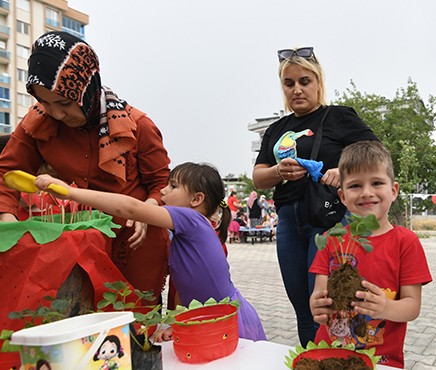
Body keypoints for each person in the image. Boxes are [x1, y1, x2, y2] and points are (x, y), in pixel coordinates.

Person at [0, 31, 170, 300]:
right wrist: (8, 221)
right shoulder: (37, 123)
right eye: (44, 101)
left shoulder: (138, 125)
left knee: (136, 324)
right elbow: (6, 172)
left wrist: (148, 209)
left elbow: (161, 183)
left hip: (134, 240)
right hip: (77, 246)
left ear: (86, 90)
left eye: (65, 103)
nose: (56, 113)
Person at [35, 162, 267, 341]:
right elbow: (183, 288)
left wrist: (70, 193)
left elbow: (131, 208)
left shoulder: (192, 219)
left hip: (226, 321)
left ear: (196, 199)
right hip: (209, 319)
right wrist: (175, 322)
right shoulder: (183, 232)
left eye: (173, 186)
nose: (163, 191)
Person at [252, 46, 379, 345]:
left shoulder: (338, 117)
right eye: (289, 83)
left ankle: (339, 358)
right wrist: (278, 172)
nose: (297, 89)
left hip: (327, 218)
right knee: (302, 305)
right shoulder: (276, 128)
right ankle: (312, 357)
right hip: (287, 221)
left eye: (304, 81)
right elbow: (258, 177)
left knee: (326, 303)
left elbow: (376, 153)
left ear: (319, 83)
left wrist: (342, 170)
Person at [309, 141, 432, 368]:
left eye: (376, 183)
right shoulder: (331, 239)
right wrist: (317, 307)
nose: (367, 193)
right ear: (342, 196)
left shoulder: (406, 242)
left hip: (381, 360)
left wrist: (386, 308)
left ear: (393, 190)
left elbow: (412, 307)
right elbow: (319, 294)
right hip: (329, 354)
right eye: (355, 185)